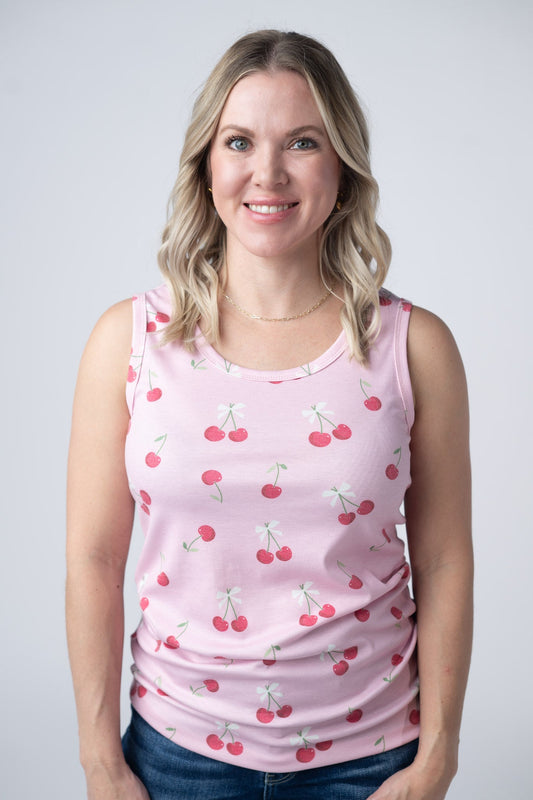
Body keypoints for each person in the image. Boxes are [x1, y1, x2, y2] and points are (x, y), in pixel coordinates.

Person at [66, 29, 473, 800]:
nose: (268, 172)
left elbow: (444, 558)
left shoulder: (412, 346)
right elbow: (93, 558)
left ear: (341, 168)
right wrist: (98, 760)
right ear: (206, 165)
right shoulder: (130, 340)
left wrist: (437, 758)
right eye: (239, 141)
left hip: (370, 760)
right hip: (175, 754)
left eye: (302, 142)